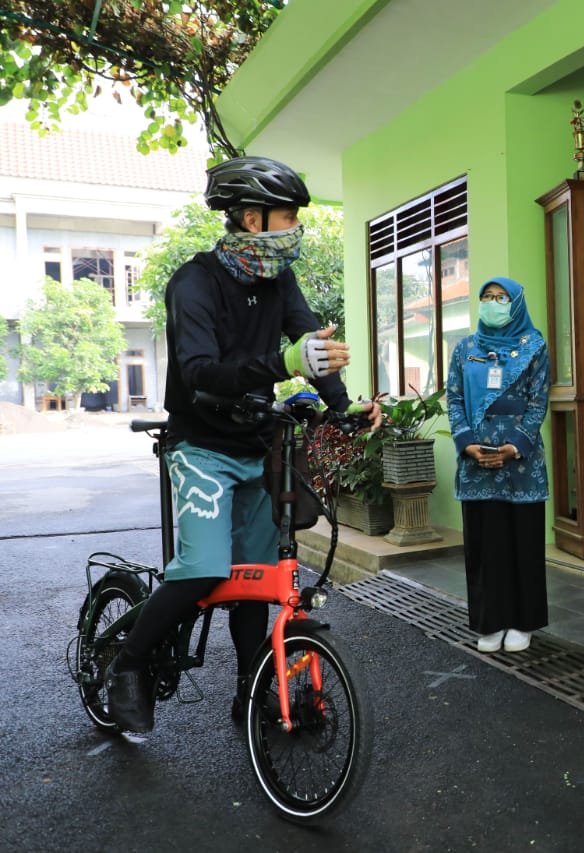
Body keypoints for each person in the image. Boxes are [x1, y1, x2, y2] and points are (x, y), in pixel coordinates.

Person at [104, 156, 380, 733]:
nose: (296, 227)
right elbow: (202, 371)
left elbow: (310, 343)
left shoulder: (279, 279)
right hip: (201, 447)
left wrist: (342, 404)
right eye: (288, 216)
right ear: (252, 219)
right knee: (204, 568)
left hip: (257, 447)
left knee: (258, 578)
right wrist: (283, 363)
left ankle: (248, 692)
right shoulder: (194, 283)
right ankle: (128, 664)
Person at [446, 277, 551, 654]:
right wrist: (466, 443)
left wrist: (514, 446)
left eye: (501, 298)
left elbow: (539, 402)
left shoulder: (535, 347)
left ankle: (523, 622)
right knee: (485, 546)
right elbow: (454, 399)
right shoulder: (464, 349)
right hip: (476, 463)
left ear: (516, 303)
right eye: (487, 297)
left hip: (521, 465)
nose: (493, 304)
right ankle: (490, 621)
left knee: (521, 543)